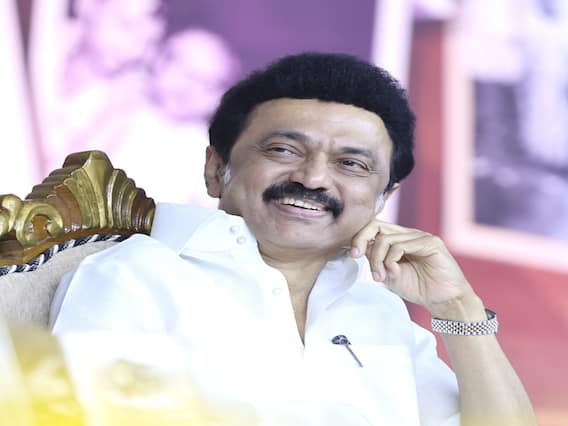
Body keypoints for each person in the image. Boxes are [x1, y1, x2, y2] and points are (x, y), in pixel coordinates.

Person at [50, 53, 536, 425]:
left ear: (382, 198)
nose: (314, 178)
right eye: (284, 150)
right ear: (216, 169)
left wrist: (458, 307)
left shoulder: (378, 312)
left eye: (351, 164)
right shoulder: (136, 280)